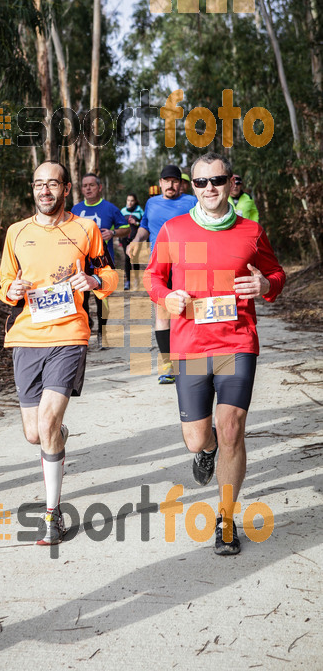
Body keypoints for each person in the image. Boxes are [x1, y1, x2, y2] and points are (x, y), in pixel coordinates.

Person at [145, 152, 285, 555]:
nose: (210, 188)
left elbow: (276, 275)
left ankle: (226, 519)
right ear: (192, 187)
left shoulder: (251, 231)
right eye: (201, 182)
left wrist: (266, 287)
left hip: (237, 341)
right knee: (196, 438)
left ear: (230, 182)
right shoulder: (173, 229)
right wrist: (167, 297)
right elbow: (154, 278)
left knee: (232, 428)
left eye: (217, 180)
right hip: (190, 344)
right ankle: (205, 451)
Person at [0, 162, 118, 545]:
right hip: (26, 337)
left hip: (69, 334)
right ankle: (56, 436)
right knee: (35, 434)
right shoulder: (16, 232)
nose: (45, 190)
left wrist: (95, 279)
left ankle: (53, 514)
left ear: (66, 188)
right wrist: (12, 291)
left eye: (52, 183)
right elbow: (4, 284)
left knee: (46, 427)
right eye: (38, 184)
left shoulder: (85, 228)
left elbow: (109, 275)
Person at [127, 165, 196, 383]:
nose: (171, 185)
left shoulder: (192, 202)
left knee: (190, 311)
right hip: (159, 265)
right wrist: (136, 241)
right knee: (162, 313)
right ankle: (169, 364)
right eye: (166, 181)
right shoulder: (151, 203)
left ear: (181, 184)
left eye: (175, 181)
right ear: (160, 182)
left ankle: (194, 360)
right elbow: (145, 226)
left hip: (187, 265)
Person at [71, 174, 129, 348]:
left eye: (91, 185)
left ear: (99, 187)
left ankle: (103, 334)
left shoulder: (110, 208)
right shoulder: (75, 209)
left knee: (102, 299)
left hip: (102, 263)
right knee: (81, 299)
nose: (88, 189)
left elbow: (125, 228)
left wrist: (113, 233)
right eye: (84, 186)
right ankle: (86, 330)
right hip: (80, 263)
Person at [120, 194, 144, 290]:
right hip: (125, 239)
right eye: (128, 200)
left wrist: (136, 223)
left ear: (135, 201)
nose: (129, 203)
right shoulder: (122, 211)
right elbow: (119, 225)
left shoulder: (140, 211)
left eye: (132, 201)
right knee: (127, 259)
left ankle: (136, 280)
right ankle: (128, 281)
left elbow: (143, 225)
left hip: (136, 239)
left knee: (135, 259)